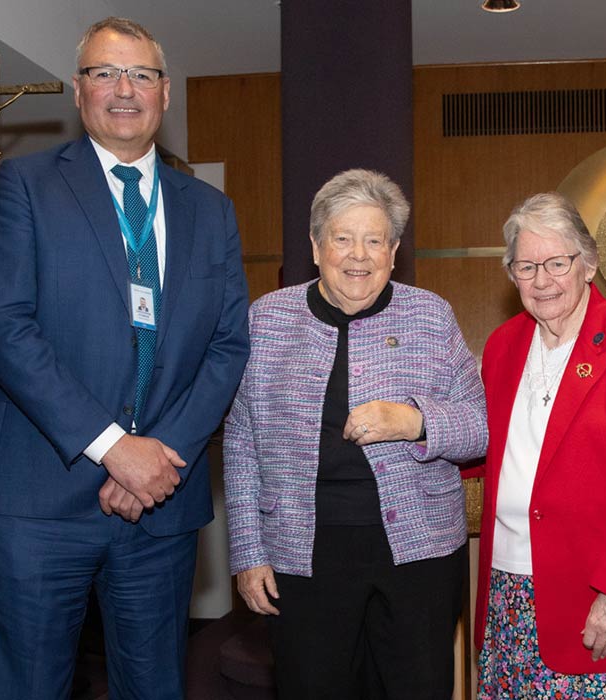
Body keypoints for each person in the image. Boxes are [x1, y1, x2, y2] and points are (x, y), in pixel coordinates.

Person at [0, 17, 250, 700]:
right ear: (77, 89)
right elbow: (4, 327)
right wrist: (113, 447)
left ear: (166, 92)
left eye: (141, 75)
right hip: (36, 506)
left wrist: (158, 458)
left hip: (160, 508)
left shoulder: (211, 211)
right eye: (105, 73)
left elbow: (227, 345)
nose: (124, 90)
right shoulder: (26, 186)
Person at [224, 169, 487, 698]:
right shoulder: (268, 320)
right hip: (302, 553)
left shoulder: (431, 316)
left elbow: (478, 428)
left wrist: (414, 420)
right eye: (343, 239)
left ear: (393, 251)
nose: (358, 255)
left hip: (420, 554)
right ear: (316, 247)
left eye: (374, 240)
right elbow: (241, 441)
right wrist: (248, 552)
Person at [474, 192, 606, 697]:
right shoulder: (502, 346)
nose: (542, 280)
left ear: (588, 264)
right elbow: (483, 447)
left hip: (602, 597)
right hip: (510, 594)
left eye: (556, 262)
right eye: (526, 266)